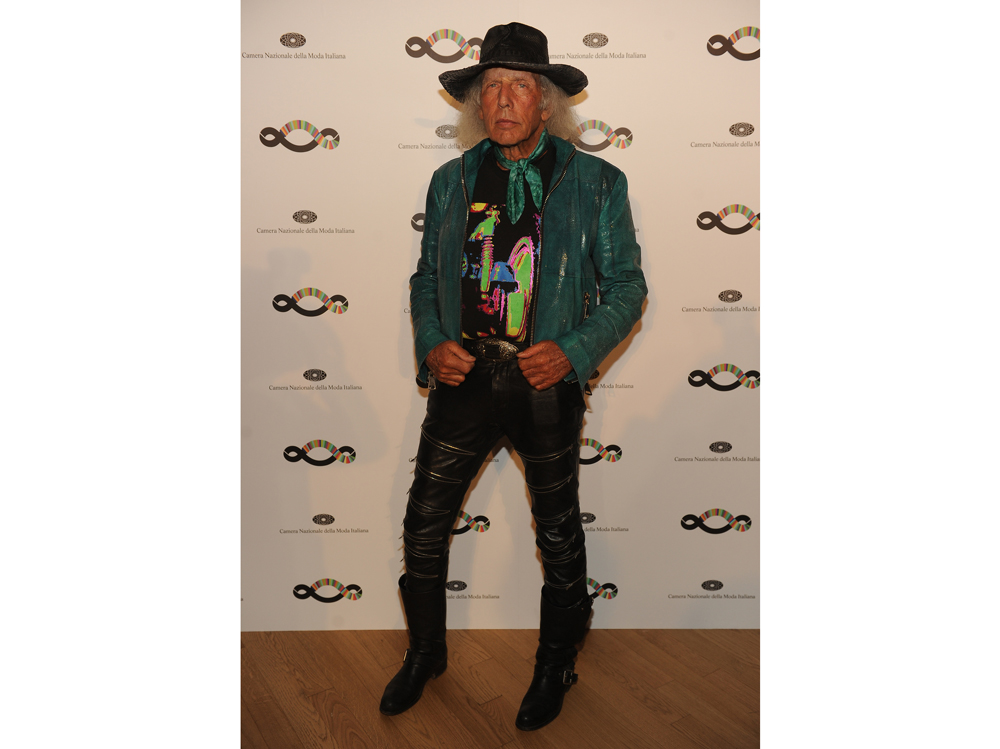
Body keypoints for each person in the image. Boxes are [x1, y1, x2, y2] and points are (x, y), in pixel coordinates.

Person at [380, 21, 647, 731]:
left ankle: (556, 664)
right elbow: (424, 278)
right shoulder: (450, 181)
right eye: (491, 86)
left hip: (545, 384)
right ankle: (425, 653)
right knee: (422, 525)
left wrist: (573, 350)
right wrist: (432, 341)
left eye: (519, 86)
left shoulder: (597, 183)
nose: (502, 100)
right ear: (477, 103)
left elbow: (627, 287)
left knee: (558, 534)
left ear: (547, 102)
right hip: (463, 378)